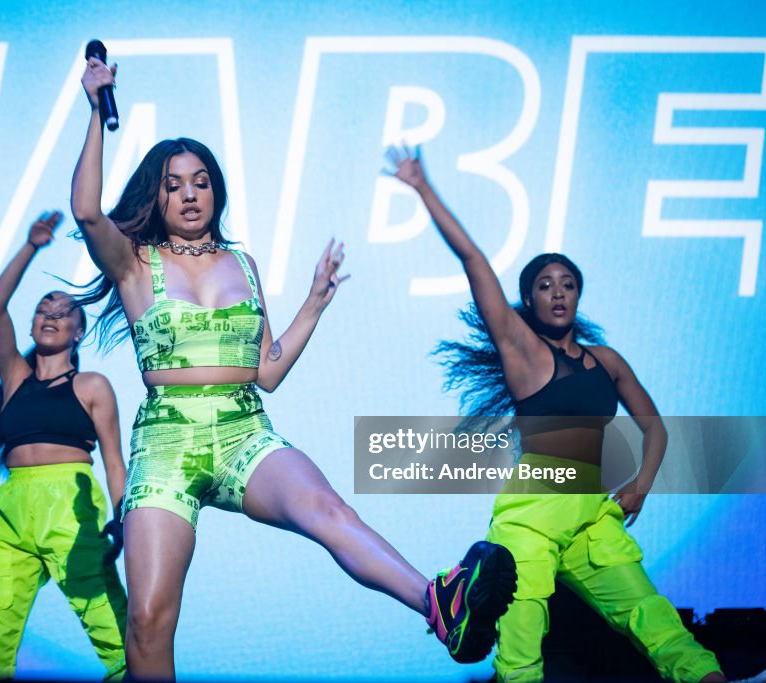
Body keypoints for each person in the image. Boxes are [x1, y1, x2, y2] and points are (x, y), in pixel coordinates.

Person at [68, 58, 517, 680]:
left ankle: (441, 606)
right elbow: (89, 213)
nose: (191, 193)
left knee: (329, 513)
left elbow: (268, 371)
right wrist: (96, 107)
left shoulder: (241, 263)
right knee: (148, 619)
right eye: (174, 184)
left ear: (215, 190)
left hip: (243, 431)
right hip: (167, 439)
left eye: (201, 181)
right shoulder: (135, 262)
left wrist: (313, 303)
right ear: (158, 194)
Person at [386, 146, 726, 682]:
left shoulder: (606, 361)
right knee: (522, 647)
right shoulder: (522, 352)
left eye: (567, 283)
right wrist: (424, 188)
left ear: (578, 295)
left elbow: (653, 426)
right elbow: (475, 260)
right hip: (534, 511)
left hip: (593, 508)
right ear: (529, 298)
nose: (558, 292)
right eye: (545, 285)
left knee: (655, 620)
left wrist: (642, 482)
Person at [0, 211, 129, 680]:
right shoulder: (14, 376)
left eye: (63, 313)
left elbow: (113, 461)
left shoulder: (93, 385)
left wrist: (122, 517)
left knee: (112, 630)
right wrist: (31, 245)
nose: (50, 317)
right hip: (14, 508)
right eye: (43, 310)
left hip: (71, 506)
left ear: (79, 332)